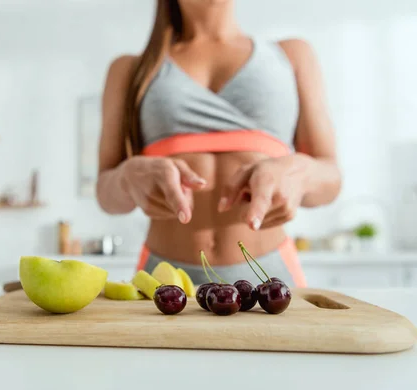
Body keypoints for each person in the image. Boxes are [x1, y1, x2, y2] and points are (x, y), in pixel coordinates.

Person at [95, 0, 341, 287]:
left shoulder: (291, 55)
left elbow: (331, 177)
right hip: (165, 279)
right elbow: (105, 189)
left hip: (270, 275)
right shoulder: (129, 70)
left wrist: (299, 173)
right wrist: (126, 178)